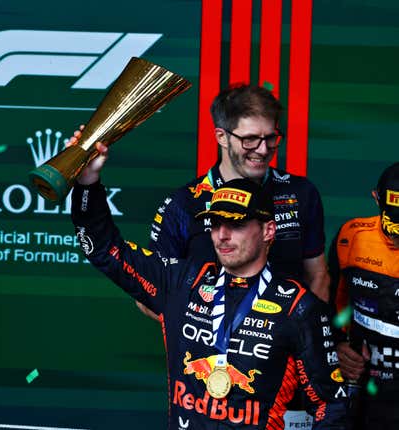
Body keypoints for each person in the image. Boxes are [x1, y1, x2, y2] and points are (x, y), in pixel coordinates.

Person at [70, 143, 346, 429]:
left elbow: (332, 406)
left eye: (236, 224)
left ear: (268, 230)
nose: (222, 235)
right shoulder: (180, 282)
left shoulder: (299, 307)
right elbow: (103, 249)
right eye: (214, 223)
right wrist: (87, 182)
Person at [143, 84, 329, 321]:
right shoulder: (183, 204)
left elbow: (318, 276)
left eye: (271, 137)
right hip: (207, 352)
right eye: (250, 139)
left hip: (285, 352)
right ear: (222, 137)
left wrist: (303, 337)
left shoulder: (300, 193)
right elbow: (148, 294)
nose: (263, 150)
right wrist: (203, 334)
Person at [330, 162, 399, 429]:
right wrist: (337, 344)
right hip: (367, 389)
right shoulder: (352, 235)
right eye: (393, 222)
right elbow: (331, 299)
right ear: (376, 198)